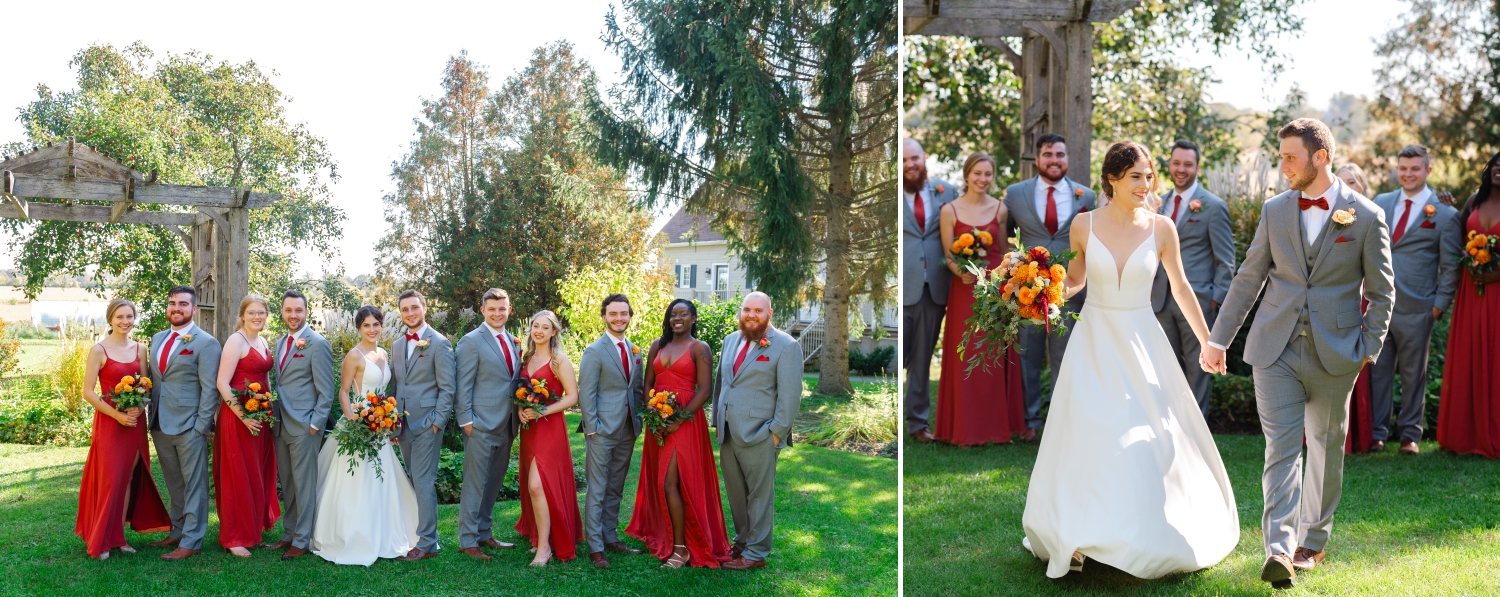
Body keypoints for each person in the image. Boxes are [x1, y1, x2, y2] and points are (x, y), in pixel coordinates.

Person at [1021, 141, 1238, 580]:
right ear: (1113, 180)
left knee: (1146, 435)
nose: (1145, 184)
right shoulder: (1083, 225)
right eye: (1136, 176)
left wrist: (1209, 343)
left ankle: (1138, 533)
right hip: (1094, 340)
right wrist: (1038, 294)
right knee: (1089, 431)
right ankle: (1078, 534)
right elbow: (1076, 279)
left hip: (1142, 341)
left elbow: (1181, 289)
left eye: (1148, 175)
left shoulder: (1162, 228)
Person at [1202, 118, 1395, 587]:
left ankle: (1313, 540)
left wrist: (1366, 349)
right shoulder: (1274, 211)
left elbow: (1383, 292)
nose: (1282, 165)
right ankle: (1280, 550)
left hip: (1337, 351)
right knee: (1281, 450)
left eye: (1290, 157)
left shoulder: (1366, 216)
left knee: (1326, 448)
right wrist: (1218, 338)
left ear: (1320, 157)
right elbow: (1249, 278)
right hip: (1275, 348)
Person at [1003, 134, 1099, 439]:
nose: (1054, 159)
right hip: (1026, 293)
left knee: (1066, 360)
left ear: (1067, 158)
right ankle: (1030, 423)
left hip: (1070, 291)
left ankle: (1060, 424)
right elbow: (1007, 236)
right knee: (1027, 359)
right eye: (1048, 154)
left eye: (1060, 154)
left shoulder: (1087, 197)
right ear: (1037, 159)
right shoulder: (1015, 194)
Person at [625, 299, 732, 568]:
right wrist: (653, 416)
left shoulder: (700, 348)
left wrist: (678, 420)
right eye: (673, 315)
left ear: (693, 318)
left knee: (671, 482)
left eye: (683, 314)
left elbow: (705, 390)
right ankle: (669, 536)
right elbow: (648, 382)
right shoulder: (657, 346)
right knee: (661, 480)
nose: (677, 319)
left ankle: (681, 548)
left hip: (686, 423)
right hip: (658, 421)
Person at [1370, 145, 1462, 455]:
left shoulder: (1445, 214)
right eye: (1403, 168)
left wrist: (1437, 307)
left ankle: (1410, 436)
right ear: (1397, 170)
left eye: (1415, 169)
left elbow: (1450, 267)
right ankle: (1377, 433)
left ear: (1428, 171)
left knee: (1413, 375)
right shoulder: (1380, 203)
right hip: (1379, 304)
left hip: (1419, 308)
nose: (1408, 174)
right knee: (1377, 372)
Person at [311, 306, 420, 565]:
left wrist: (387, 420)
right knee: (356, 481)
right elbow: (344, 393)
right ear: (359, 328)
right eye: (366, 325)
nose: (372, 330)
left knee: (382, 480)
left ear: (382, 326)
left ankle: (385, 533)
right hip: (358, 426)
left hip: (380, 427)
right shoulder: (355, 355)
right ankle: (353, 535)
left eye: (376, 324)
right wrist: (355, 423)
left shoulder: (384, 352)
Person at [934, 152, 1025, 445]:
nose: (983, 179)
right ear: (966, 175)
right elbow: (948, 253)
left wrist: (1000, 279)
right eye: (977, 173)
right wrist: (959, 271)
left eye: (988, 174)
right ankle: (963, 429)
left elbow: (1000, 251)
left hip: (995, 290)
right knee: (966, 355)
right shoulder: (949, 210)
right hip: (963, 288)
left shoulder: (1000, 209)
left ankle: (998, 429)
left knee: (995, 354)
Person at [713, 292, 804, 570]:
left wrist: (775, 433)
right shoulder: (730, 340)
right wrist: (717, 418)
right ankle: (742, 541)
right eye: (747, 309)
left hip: (760, 434)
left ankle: (756, 553)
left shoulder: (786, 346)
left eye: (758, 311)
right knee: (737, 492)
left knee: (759, 495)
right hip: (729, 431)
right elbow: (722, 382)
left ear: (770, 313)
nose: (751, 315)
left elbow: (790, 396)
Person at [75, 298, 172, 559]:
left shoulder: (140, 349)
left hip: (134, 422)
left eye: (129, 317)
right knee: (110, 479)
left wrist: (139, 408)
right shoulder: (99, 350)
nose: (125, 322)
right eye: (120, 317)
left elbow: (145, 384)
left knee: (128, 477)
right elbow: (88, 392)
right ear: (110, 319)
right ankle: (102, 539)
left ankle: (118, 536)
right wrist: (116, 415)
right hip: (110, 421)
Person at [1152, 140, 1236, 419]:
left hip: (1198, 301)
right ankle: (1168, 425)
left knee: (1198, 367)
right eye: (1176, 163)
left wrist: (1215, 300)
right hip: (1160, 300)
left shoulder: (1213, 206)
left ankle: (1195, 429)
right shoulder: (1156, 204)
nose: (1181, 169)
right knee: (1164, 366)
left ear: (1197, 167)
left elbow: (1226, 261)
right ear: (1169, 165)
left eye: (1188, 164)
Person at [146, 285, 222, 561]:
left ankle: (192, 540)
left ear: (194, 309)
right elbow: (156, 381)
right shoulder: (157, 339)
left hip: (190, 425)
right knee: (174, 482)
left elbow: (209, 388)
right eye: (172, 303)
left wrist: (201, 426)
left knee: (194, 485)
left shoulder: (206, 343)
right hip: (160, 423)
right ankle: (177, 530)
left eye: (182, 304)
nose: (176, 308)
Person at [1437, 150, 1500, 458]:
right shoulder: (1473, 201)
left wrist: (1496, 275)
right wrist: (1445, 207)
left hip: (1497, 292)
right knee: (1470, 353)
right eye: (1496, 166)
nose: (1499, 170)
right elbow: (1458, 238)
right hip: (1471, 290)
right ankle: (1464, 434)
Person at [263, 289, 335, 559]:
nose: (293, 315)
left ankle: (302, 540)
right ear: (282, 312)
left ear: (307, 312)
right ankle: (288, 533)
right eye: (288, 310)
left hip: (305, 426)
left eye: (298, 310)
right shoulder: (281, 341)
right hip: (281, 424)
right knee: (289, 483)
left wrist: (314, 424)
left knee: (304, 484)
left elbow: (326, 391)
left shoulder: (317, 343)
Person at [577, 293, 647, 568]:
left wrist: (639, 421)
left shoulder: (635, 350)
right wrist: (592, 429)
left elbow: (637, 390)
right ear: (604, 316)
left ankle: (610, 535)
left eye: (624, 313)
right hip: (602, 431)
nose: (619, 318)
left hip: (628, 429)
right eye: (614, 314)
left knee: (616, 486)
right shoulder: (595, 351)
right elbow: (587, 392)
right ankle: (595, 547)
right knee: (598, 488)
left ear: (630, 316)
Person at [211, 295, 282, 557]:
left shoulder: (261, 340)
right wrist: (243, 416)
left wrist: (268, 408)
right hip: (238, 417)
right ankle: (234, 537)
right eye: (251, 313)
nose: (257, 317)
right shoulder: (236, 341)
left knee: (255, 470)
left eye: (261, 313)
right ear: (242, 315)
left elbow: (265, 378)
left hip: (260, 415)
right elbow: (222, 383)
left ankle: (252, 524)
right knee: (237, 473)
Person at [454, 288, 522, 561]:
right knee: (475, 483)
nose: (497, 313)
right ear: (482, 310)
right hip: (480, 424)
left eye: (502, 308)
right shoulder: (471, 341)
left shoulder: (514, 341)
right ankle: (468, 540)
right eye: (492, 309)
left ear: (509, 309)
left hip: (507, 423)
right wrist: (467, 421)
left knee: (494, 481)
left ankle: (484, 532)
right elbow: (463, 385)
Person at [390, 289, 456, 561]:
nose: (410, 313)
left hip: (428, 424)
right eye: (405, 309)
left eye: (414, 307)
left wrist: (437, 423)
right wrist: (392, 423)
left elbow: (448, 388)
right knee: (416, 480)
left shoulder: (439, 343)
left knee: (424, 481)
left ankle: (428, 542)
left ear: (424, 308)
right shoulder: (396, 345)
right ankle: (423, 535)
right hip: (403, 425)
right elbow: (395, 385)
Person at [515, 310, 584, 565]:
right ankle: (540, 539)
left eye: (545, 327)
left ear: (554, 332)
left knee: (537, 484)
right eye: (535, 326)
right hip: (530, 429)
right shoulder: (526, 358)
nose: (539, 331)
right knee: (534, 487)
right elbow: (522, 392)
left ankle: (545, 548)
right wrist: (522, 409)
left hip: (550, 428)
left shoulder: (559, 360)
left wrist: (541, 410)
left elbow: (572, 397)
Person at [902, 138, 959, 443]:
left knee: (922, 358)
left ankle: (917, 423)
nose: (909, 164)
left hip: (934, 286)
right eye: (903, 160)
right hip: (902, 286)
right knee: (898, 357)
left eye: (914, 158)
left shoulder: (946, 192)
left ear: (924, 158)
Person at [1335, 164, 1378, 453]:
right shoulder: (1328, 216)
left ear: (1362, 185)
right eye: (1341, 181)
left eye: (1352, 181)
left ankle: (1359, 436)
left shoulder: (1373, 217)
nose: (1347, 185)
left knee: (1356, 367)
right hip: (1333, 298)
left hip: (1361, 299)